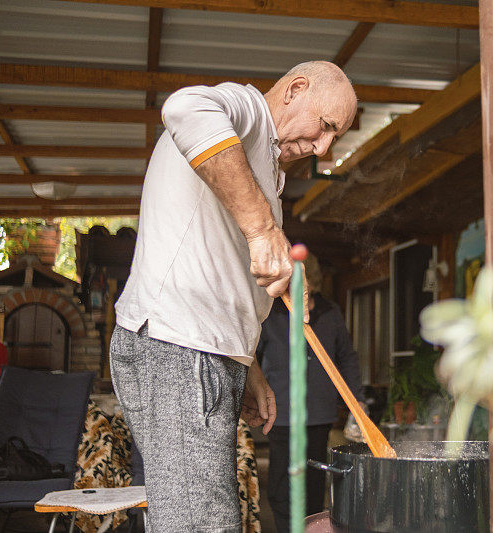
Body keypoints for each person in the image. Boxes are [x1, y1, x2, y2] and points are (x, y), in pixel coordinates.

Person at [109, 61, 357, 533]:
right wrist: (263, 228)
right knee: (199, 524)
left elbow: (223, 275)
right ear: (295, 89)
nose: (323, 148)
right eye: (325, 126)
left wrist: (250, 367)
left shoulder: (262, 168)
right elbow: (184, 107)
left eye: (334, 138)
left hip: (207, 351)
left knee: (208, 514)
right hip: (178, 345)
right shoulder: (246, 111)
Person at [256, 254, 365, 532]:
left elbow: (347, 357)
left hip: (318, 412)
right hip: (281, 413)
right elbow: (252, 358)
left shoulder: (330, 312)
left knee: (314, 482)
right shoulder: (270, 312)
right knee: (282, 483)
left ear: (314, 281)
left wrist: (357, 402)